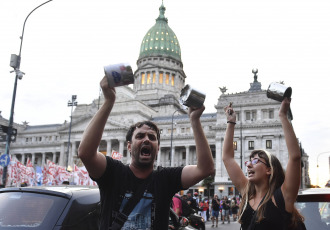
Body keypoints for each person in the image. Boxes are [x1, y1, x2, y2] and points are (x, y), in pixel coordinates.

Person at [78, 76, 215, 230]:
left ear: (158, 148)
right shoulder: (113, 173)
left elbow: (206, 169)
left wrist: (195, 121)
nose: (146, 140)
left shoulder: (165, 179)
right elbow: (85, 153)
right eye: (140, 136)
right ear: (129, 146)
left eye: (152, 137)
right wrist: (109, 102)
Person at [222, 98, 304, 230]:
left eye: (255, 161)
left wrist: (283, 116)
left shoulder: (283, 197)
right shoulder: (247, 192)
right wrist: (231, 122)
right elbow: (227, 158)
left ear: (269, 170)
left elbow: (295, 157)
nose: (248, 165)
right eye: (249, 161)